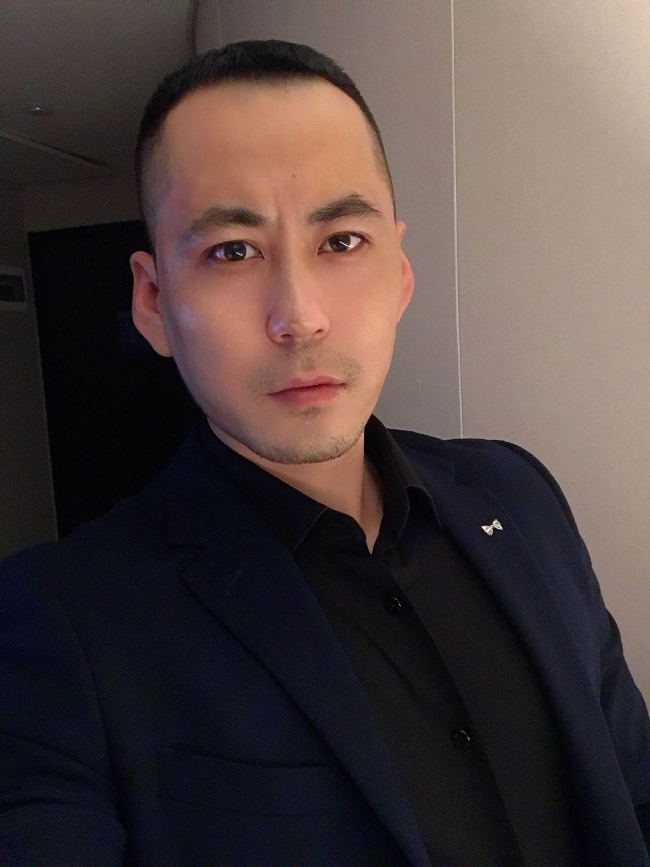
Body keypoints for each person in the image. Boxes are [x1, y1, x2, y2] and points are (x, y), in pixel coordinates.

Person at [0, 39, 648, 867]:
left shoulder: (518, 495)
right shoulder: (60, 626)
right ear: (153, 301)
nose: (300, 316)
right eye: (232, 251)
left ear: (400, 273)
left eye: (341, 241)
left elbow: (631, 789)